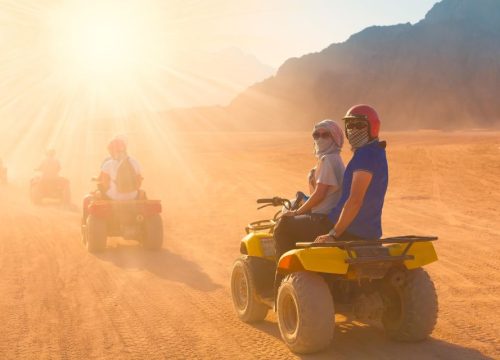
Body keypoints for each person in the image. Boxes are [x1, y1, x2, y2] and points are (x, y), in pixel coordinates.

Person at [273, 119, 345, 258]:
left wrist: (296, 212)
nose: (320, 139)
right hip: (328, 216)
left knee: (282, 226)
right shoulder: (335, 158)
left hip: (322, 218)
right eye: (316, 135)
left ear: (335, 137)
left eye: (325, 135)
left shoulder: (327, 160)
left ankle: (283, 274)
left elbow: (320, 194)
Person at [98, 136, 143, 201]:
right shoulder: (135, 162)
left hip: (113, 197)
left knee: (98, 193)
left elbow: (104, 184)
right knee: (142, 192)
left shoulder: (108, 164)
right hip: (133, 197)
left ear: (111, 150)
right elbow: (139, 182)